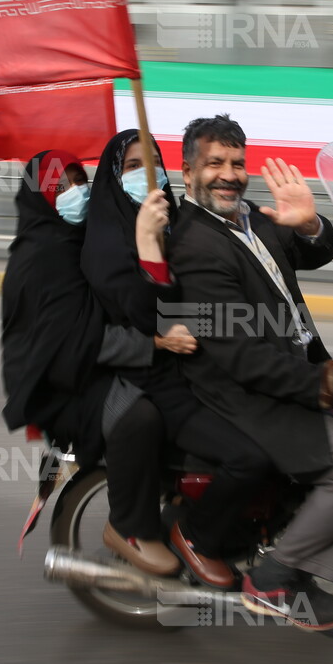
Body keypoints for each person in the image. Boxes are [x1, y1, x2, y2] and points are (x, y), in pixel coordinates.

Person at [168, 115, 333, 631]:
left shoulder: (247, 216)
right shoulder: (195, 245)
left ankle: (320, 562)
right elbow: (244, 360)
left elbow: (314, 252)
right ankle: (275, 576)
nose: (229, 175)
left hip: (293, 370)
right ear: (187, 173)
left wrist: (309, 224)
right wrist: (332, 386)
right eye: (214, 164)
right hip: (247, 396)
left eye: (236, 164)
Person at [82, 129, 274, 589]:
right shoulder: (106, 243)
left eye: (152, 163)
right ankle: (196, 538)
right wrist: (148, 249)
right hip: (153, 384)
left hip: (198, 373)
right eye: (132, 167)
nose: (145, 175)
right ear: (113, 176)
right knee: (251, 457)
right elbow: (149, 318)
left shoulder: (177, 225)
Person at [0, 150, 182, 578]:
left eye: (79, 181)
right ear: (38, 199)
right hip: (61, 383)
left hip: (90, 365)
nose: (75, 194)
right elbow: (74, 339)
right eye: (59, 188)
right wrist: (154, 342)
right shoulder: (41, 256)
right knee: (138, 416)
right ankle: (129, 528)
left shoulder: (85, 239)